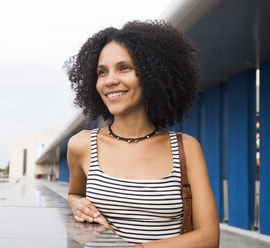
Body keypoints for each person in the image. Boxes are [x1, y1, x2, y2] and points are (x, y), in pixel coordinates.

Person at [65, 20, 220, 248]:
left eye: (124, 68)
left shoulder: (186, 148)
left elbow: (209, 238)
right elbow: (74, 194)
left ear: (152, 74)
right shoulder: (81, 145)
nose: (110, 80)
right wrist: (75, 203)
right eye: (102, 72)